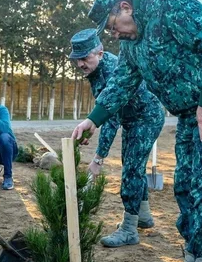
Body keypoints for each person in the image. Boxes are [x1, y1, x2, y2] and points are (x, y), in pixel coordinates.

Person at [71, 0, 202, 262]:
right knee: (185, 186)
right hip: (190, 114)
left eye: (112, 27)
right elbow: (122, 82)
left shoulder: (173, 9)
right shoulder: (133, 45)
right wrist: (93, 119)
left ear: (125, 7)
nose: (115, 35)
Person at [69, 29, 164, 247]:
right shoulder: (95, 71)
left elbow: (111, 117)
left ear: (100, 53)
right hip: (132, 118)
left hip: (145, 116)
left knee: (130, 169)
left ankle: (129, 229)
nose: (81, 64)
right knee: (134, 166)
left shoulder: (111, 69)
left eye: (86, 58)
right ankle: (144, 216)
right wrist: (93, 124)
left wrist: (98, 160)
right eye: (77, 60)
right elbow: (105, 111)